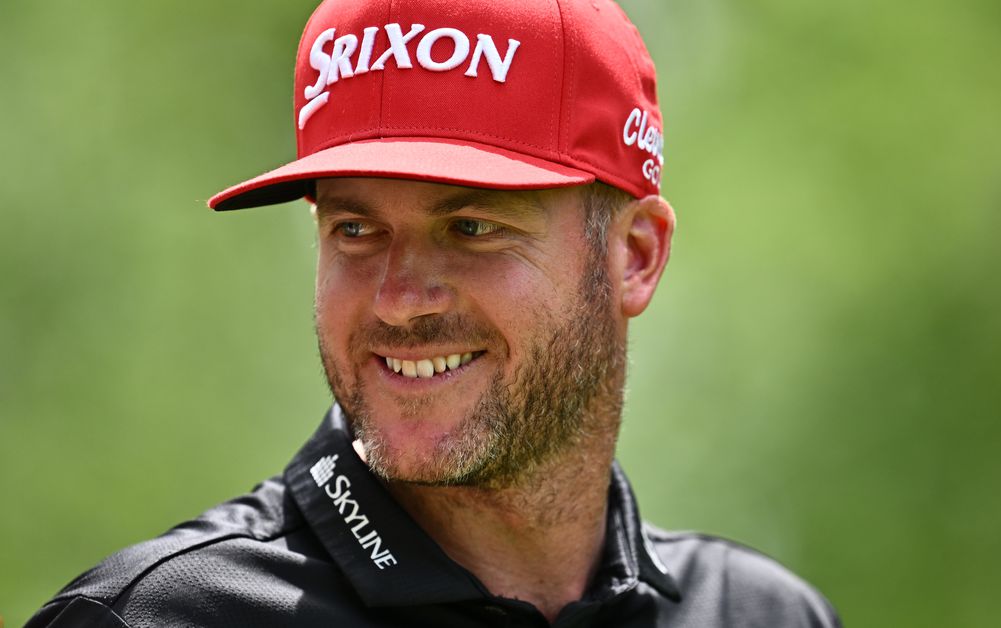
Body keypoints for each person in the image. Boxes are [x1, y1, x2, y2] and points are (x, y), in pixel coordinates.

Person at [29, 0, 840, 626]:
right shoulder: (158, 617)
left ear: (635, 256)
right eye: (355, 230)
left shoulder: (763, 613)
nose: (397, 299)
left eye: (472, 227)